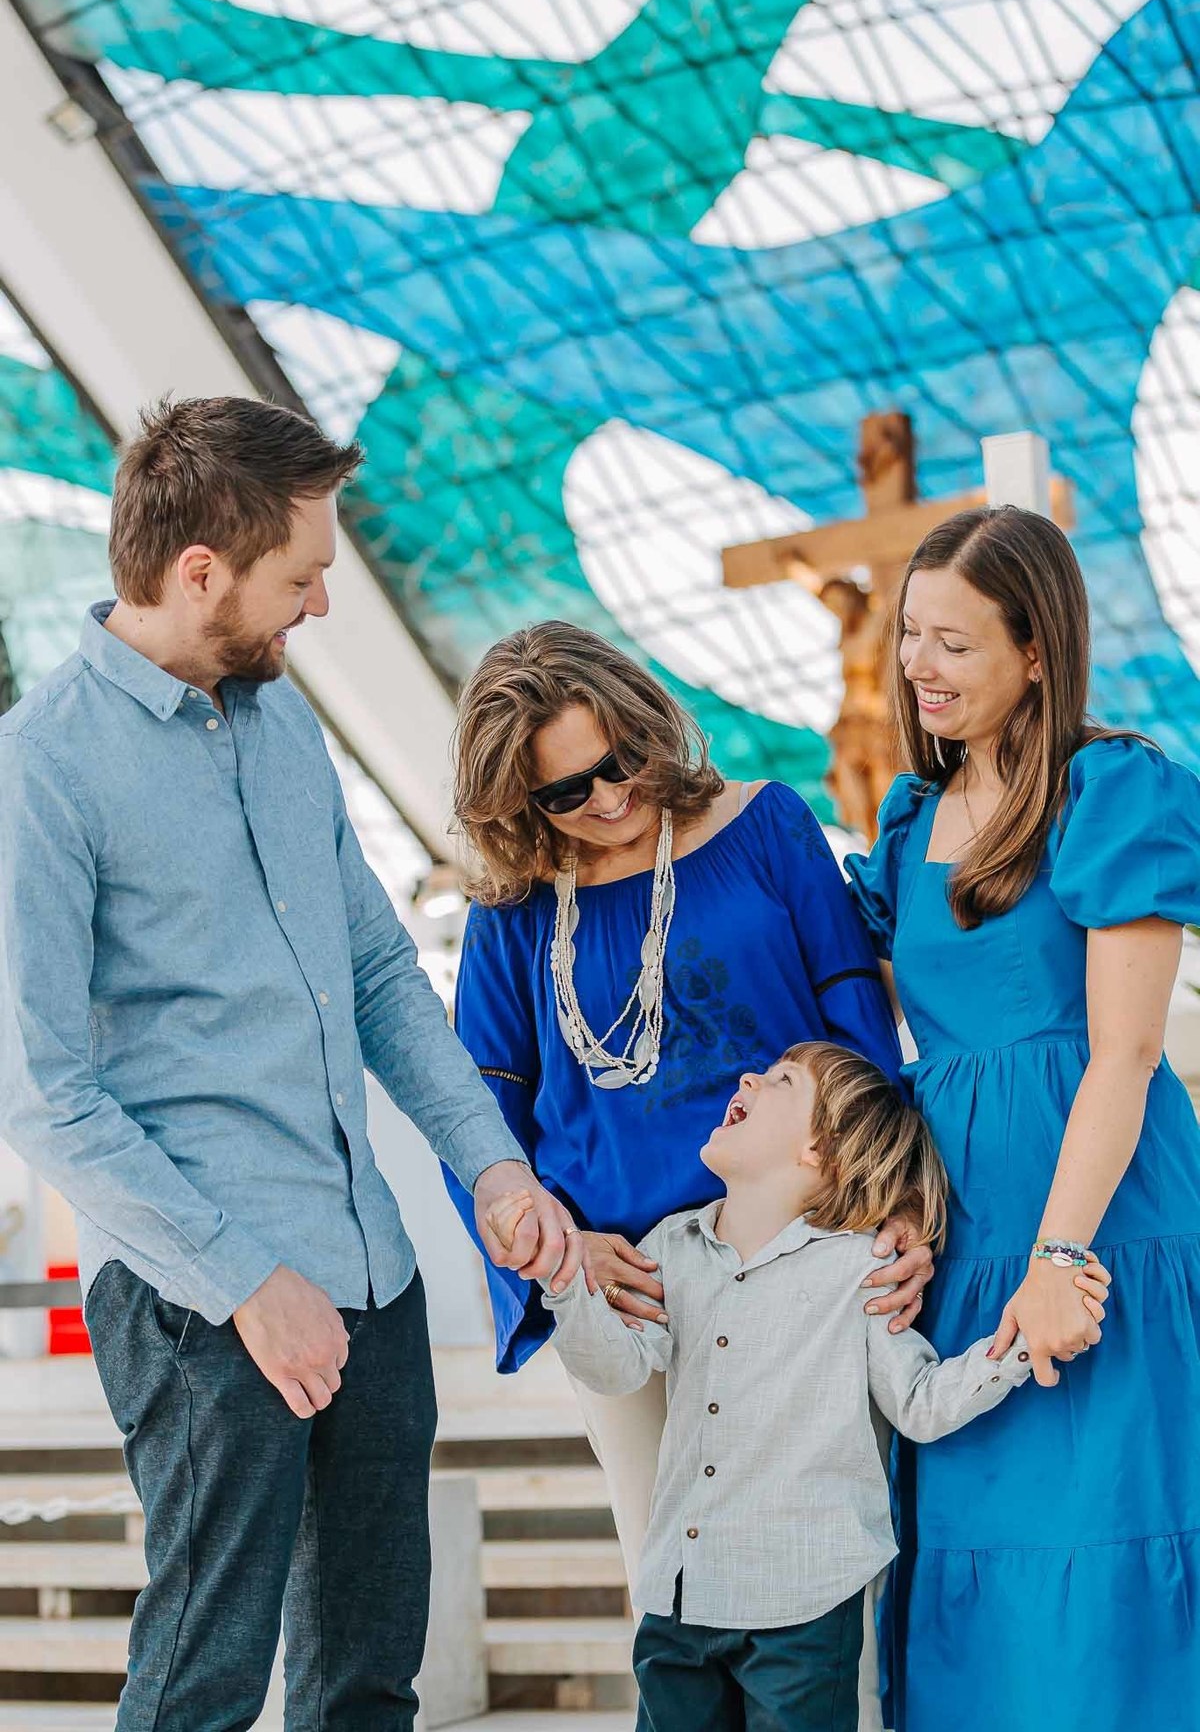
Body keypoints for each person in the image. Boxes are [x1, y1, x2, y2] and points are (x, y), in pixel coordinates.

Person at [0, 397, 576, 1731]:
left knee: (369, 1684)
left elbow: (377, 973)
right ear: (200, 570)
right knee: (200, 1686)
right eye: (300, 579)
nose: (320, 606)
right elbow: (43, 1092)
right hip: (202, 1301)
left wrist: (492, 1168)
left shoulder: (285, 730)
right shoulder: (42, 767)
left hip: (372, 1270)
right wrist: (248, 1284)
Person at [446, 623, 935, 1586]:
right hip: (626, 1291)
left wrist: (899, 1203)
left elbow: (862, 1041)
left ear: (644, 722)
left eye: (620, 761)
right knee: (668, 1587)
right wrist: (556, 1248)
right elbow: (474, 1120)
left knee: (839, 1575)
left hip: (803, 1261)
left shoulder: (767, 824)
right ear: (517, 800)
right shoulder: (511, 913)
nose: (610, 797)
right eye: (568, 792)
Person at [844, 504, 1200, 1731]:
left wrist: (1058, 1256)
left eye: (955, 643)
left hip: (1099, 1237)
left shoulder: (1112, 792)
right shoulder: (907, 821)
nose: (919, 666)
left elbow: (1127, 1054)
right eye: (911, 634)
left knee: (1107, 1569)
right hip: (958, 1242)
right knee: (975, 1586)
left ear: (1038, 649)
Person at [486, 1042, 1109, 1732]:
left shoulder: (863, 1269)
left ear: (820, 1151)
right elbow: (620, 1369)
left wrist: (1020, 1343)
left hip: (803, 1608)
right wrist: (564, 1281)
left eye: (781, 1079)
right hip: (680, 1601)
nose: (747, 1076)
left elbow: (919, 1403)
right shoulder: (670, 1246)